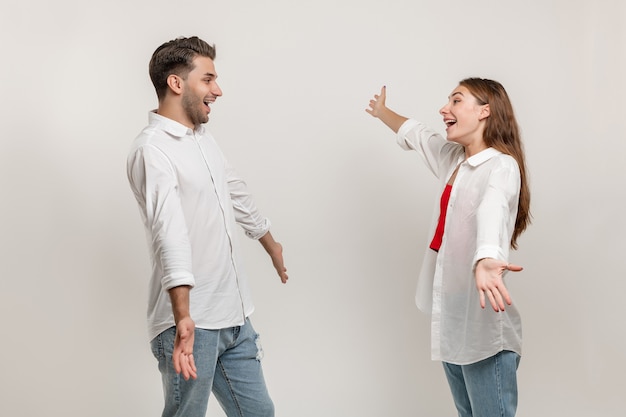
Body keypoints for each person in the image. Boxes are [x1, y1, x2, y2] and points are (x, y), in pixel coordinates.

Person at [127, 36, 288, 417]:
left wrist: (270, 242)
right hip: (192, 324)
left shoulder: (201, 137)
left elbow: (234, 190)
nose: (218, 90)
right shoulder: (153, 150)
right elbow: (170, 234)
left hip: (235, 316)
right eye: (208, 79)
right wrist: (183, 317)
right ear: (177, 83)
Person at [366, 78, 531, 417]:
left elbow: (493, 205)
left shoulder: (501, 166)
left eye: (457, 101)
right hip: (453, 324)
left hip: (485, 335)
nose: (445, 108)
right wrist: (383, 113)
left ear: (485, 111)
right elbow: (418, 135)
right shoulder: (454, 160)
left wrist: (487, 256)